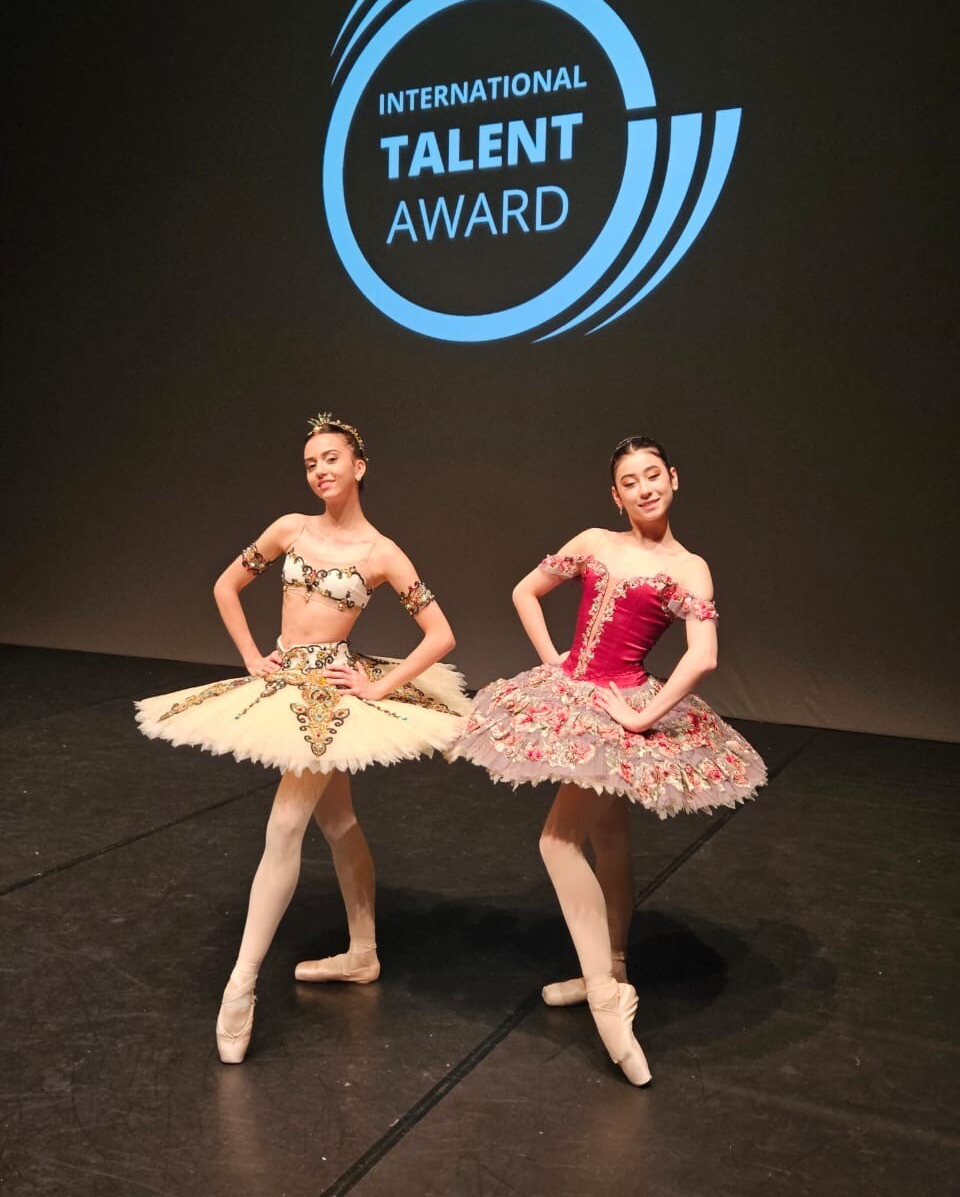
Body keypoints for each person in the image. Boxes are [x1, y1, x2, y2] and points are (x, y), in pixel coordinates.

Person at [136, 413, 468, 1063]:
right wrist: (251, 656)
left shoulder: (381, 553)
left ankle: (241, 984)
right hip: (285, 679)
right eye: (311, 462)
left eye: (331, 459)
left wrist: (379, 686)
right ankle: (363, 952)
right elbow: (227, 585)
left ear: (359, 466)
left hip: (331, 695)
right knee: (337, 822)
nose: (320, 470)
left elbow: (442, 634)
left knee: (286, 824)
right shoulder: (290, 528)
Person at [451, 437, 767, 1086]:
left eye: (653, 475)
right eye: (630, 481)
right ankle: (613, 965)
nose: (645, 488)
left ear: (673, 478)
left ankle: (606, 994)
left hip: (620, 704)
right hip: (577, 693)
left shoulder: (689, 567)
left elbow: (703, 655)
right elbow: (525, 592)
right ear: (616, 496)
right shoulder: (595, 540)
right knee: (609, 837)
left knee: (557, 841)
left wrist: (644, 716)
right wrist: (554, 662)